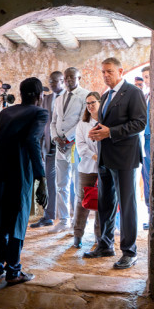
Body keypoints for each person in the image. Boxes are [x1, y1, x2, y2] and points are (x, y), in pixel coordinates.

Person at [86, 58, 147, 269]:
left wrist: (110, 132)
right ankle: (105, 244)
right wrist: (96, 132)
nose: (105, 75)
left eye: (109, 71)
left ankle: (130, 252)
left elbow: (140, 123)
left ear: (120, 71)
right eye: (103, 72)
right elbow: (105, 123)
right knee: (105, 204)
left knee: (127, 205)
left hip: (124, 158)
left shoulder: (133, 92)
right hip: (104, 157)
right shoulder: (105, 95)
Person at [0, 77, 49, 285]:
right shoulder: (40, 112)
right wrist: (41, 177)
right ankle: (13, 271)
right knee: (18, 220)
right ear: (40, 95)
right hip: (20, 169)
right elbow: (32, 141)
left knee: (3, 218)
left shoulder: (5, 112)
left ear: (22, 94)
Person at [49, 67, 90, 232]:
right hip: (60, 146)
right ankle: (63, 220)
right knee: (61, 184)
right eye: (66, 78)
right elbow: (53, 121)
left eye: (72, 77)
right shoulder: (59, 98)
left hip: (74, 145)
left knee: (77, 184)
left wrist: (67, 138)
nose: (68, 80)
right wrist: (55, 138)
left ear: (79, 77)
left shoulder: (84, 95)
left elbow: (82, 120)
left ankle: (77, 221)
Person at [30, 71, 64, 228]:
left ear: (62, 81)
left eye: (55, 81)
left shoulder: (69, 98)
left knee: (66, 183)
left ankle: (66, 217)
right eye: (50, 82)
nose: (51, 84)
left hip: (66, 146)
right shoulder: (47, 99)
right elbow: (43, 124)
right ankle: (48, 215)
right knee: (49, 181)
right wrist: (42, 144)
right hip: (48, 147)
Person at [71, 91, 102, 248]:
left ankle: (99, 236)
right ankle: (77, 234)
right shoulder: (82, 124)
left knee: (102, 202)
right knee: (82, 201)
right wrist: (94, 156)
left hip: (105, 167)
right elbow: (81, 146)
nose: (90, 106)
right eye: (87, 103)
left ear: (100, 103)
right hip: (87, 167)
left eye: (93, 102)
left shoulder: (107, 121)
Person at [140, 65, 152, 230]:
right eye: (145, 77)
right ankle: (150, 216)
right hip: (144, 141)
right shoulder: (146, 96)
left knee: (152, 178)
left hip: (152, 141)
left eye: (148, 76)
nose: (146, 80)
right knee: (146, 178)